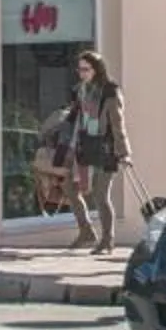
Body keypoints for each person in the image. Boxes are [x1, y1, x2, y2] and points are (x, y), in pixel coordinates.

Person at [64, 51, 126, 253]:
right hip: (84, 145)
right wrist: (69, 146)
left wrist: (123, 152)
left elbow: (117, 124)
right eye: (79, 69)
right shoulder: (81, 90)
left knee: (100, 194)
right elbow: (76, 120)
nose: (81, 73)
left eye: (85, 69)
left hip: (105, 147)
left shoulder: (109, 91)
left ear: (96, 70)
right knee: (70, 187)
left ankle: (108, 239)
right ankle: (86, 232)